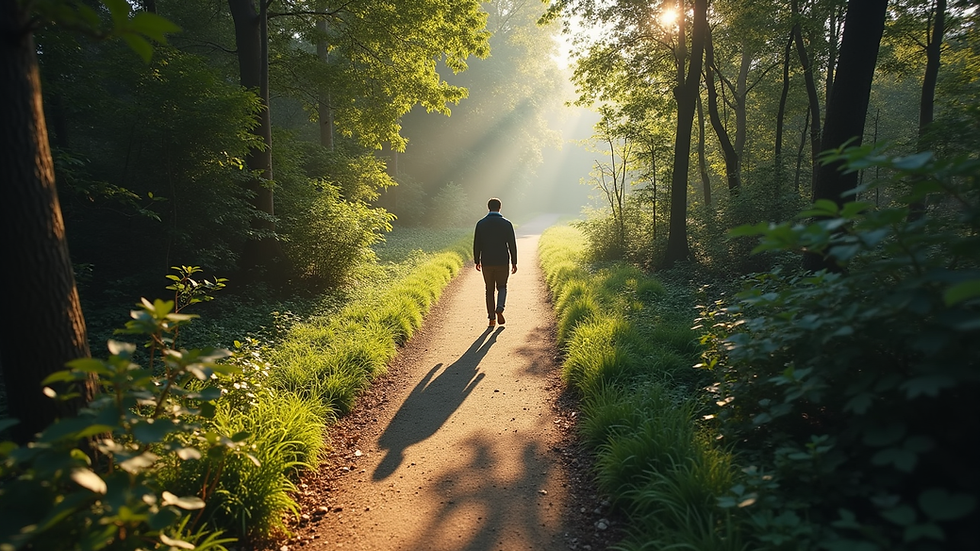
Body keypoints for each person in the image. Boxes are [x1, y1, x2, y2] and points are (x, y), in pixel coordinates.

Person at [473, 198, 517, 328]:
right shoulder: (506, 224)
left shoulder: (481, 224)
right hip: (502, 261)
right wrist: (514, 262)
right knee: (502, 287)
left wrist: (477, 260)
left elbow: (477, 244)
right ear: (500, 208)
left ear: (488, 208)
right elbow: (512, 245)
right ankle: (500, 308)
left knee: (489, 290)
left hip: (487, 261)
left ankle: (491, 319)